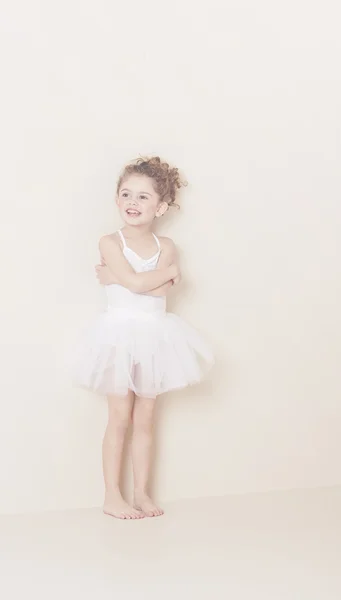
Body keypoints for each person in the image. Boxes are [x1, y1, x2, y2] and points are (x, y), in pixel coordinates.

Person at [74, 156, 213, 520]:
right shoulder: (110, 242)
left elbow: (156, 292)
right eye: (126, 194)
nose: (133, 203)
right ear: (117, 199)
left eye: (143, 197)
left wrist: (118, 278)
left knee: (146, 417)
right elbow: (142, 284)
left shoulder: (166, 246)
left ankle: (142, 493)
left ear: (161, 206)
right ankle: (111, 495)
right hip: (118, 337)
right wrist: (150, 279)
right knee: (119, 416)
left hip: (155, 338)